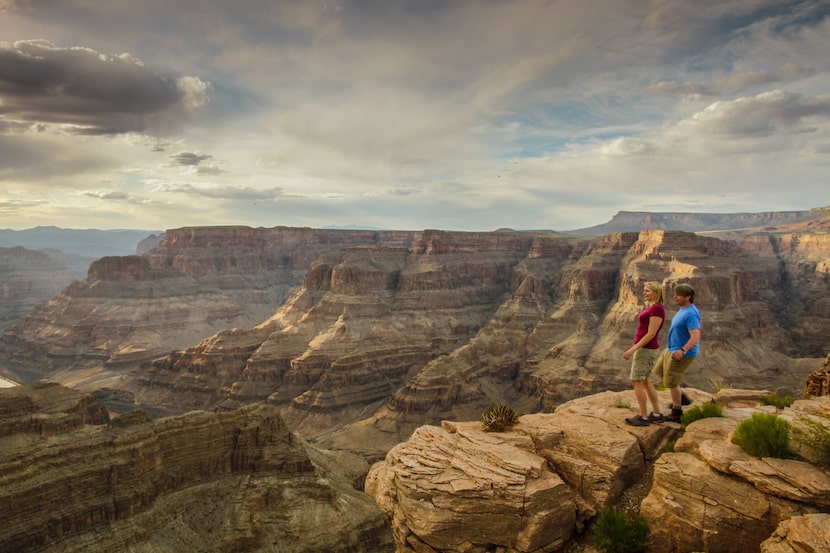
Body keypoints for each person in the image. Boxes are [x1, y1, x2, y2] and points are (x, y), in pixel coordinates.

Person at [653, 283, 701, 423]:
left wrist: (683, 350)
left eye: (678, 295)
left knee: (671, 382)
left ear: (688, 297)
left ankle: (677, 411)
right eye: (675, 294)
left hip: (682, 352)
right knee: (658, 371)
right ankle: (682, 398)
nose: (675, 297)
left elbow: (696, 336)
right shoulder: (683, 309)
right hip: (671, 349)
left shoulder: (691, 313)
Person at [624, 282, 666, 426]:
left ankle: (643, 417)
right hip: (648, 349)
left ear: (656, 292)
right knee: (646, 380)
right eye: (644, 290)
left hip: (645, 350)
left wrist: (633, 349)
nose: (644, 293)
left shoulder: (657, 309)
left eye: (647, 291)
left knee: (636, 380)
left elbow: (651, 333)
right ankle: (656, 413)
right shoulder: (654, 307)